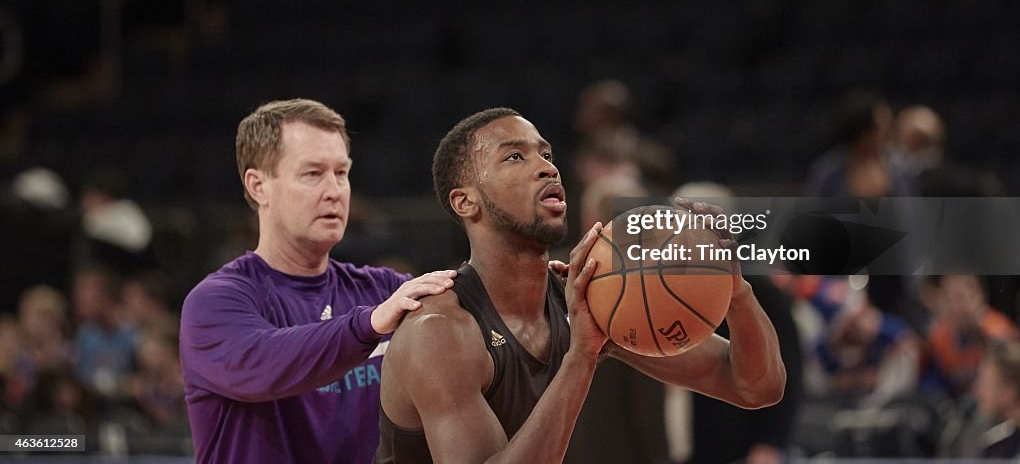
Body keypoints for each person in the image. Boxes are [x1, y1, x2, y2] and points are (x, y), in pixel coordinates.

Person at [376, 108, 785, 463]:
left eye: (547, 154)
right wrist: (582, 355)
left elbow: (755, 387)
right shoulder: (441, 332)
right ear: (466, 202)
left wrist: (734, 289)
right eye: (515, 156)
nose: (547, 167)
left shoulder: (586, 298)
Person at [179, 99, 457, 464]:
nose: (335, 191)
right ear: (258, 185)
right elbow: (262, 365)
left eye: (341, 173)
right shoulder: (214, 302)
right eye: (312, 174)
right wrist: (367, 325)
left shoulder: (385, 290)